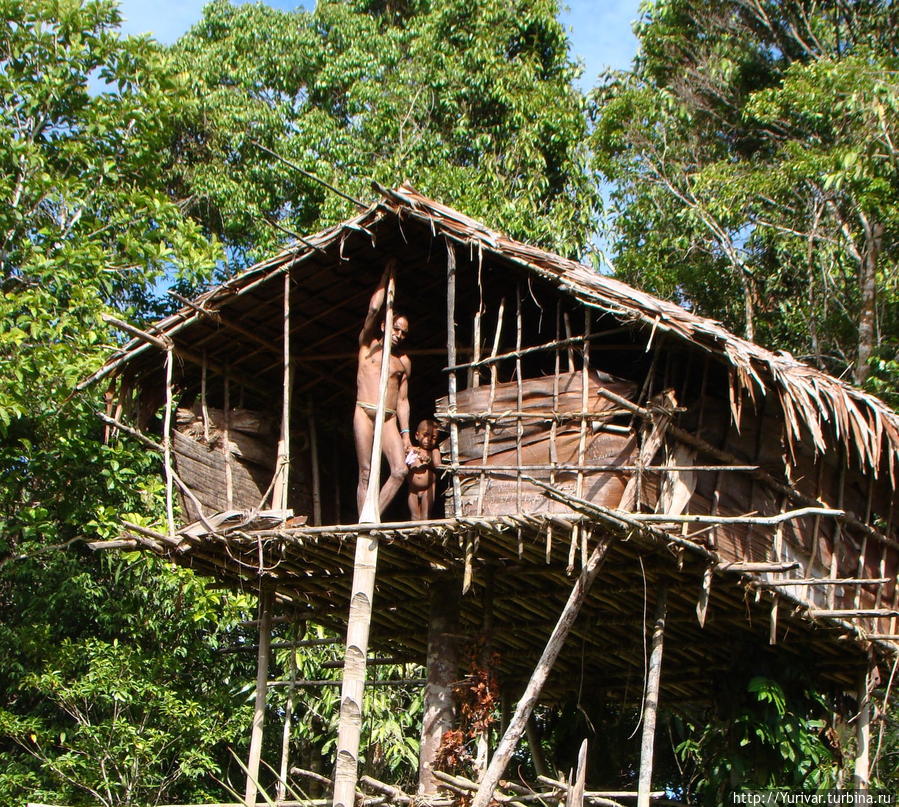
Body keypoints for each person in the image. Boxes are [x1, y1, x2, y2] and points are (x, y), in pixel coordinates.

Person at [355, 262, 412, 517]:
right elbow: (373, 309)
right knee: (366, 472)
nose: (399, 335)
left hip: (388, 416)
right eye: (395, 328)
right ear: (384, 326)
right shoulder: (368, 346)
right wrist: (385, 277)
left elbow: (402, 400)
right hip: (365, 412)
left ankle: (372, 516)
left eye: (403, 332)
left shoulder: (403, 362)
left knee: (400, 470)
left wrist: (406, 434)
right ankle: (364, 525)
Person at [406, 419, 441, 520]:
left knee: (425, 516)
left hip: (428, 487)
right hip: (412, 489)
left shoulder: (434, 451)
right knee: (414, 516)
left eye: (433, 437)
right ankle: (415, 535)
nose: (429, 439)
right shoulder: (413, 450)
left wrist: (429, 460)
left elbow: (438, 466)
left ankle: (425, 532)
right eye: (426, 435)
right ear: (417, 436)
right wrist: (408, 452)